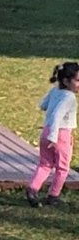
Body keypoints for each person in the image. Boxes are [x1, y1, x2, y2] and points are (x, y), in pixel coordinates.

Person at [28, 61, 79, 207]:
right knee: (62, 168)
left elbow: (43, 105)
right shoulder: (69, 97)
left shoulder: (55, 91)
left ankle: (32, 189)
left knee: (45, 164)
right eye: (77, 80)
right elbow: (57, 115)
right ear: (66, 81)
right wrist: (54, 136)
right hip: (61, 135)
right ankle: (53, 195)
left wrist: (49, 133)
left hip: (46, 131)